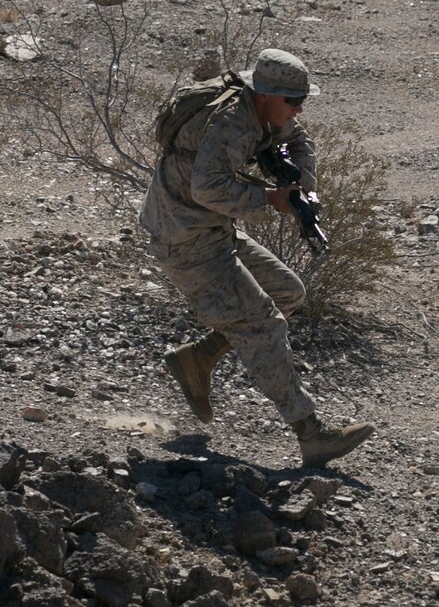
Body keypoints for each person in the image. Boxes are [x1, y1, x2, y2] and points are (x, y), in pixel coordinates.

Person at [139, 48, 375, 467]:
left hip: (211, 228)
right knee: (263, 324)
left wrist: (302, 184)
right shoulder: (230, 122)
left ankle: (199, 357)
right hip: (184, 236)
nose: (298, 109)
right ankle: (311, 434)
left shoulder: (264, 114)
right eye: (292, 102)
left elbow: (300, 141)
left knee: (287, 291)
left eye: (303, 101)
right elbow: (207, 190)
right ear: (264, 94)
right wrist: (269, 198)